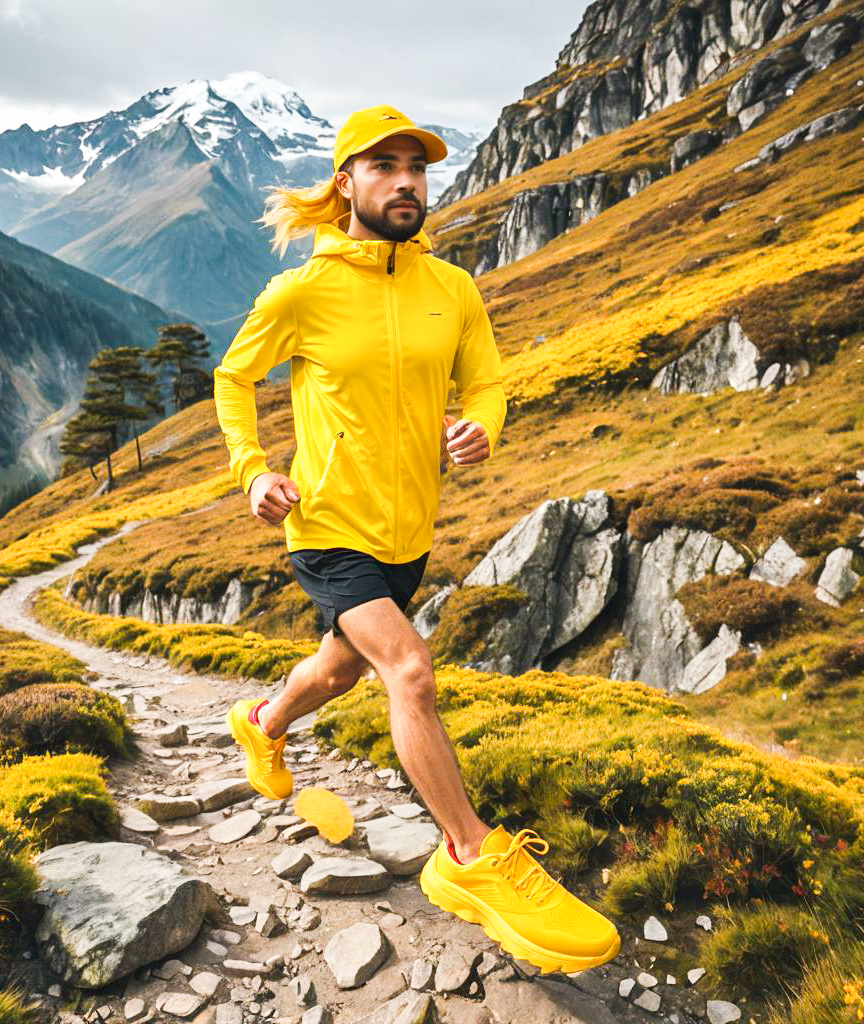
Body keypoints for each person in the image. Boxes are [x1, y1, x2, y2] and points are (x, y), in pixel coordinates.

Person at [213, 104, 620, 973]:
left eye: (418, 166)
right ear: (346, 183)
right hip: (324, 526)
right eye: (385, 165)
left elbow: (489, 382)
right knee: (409, 669)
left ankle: (263, 718)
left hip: (408, 533)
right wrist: (253, 471)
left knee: (342, 666)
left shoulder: (453, 290)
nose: (406, 181)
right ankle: (470, 855)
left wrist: (481, 425)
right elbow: (233, 377)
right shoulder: (304, 291)